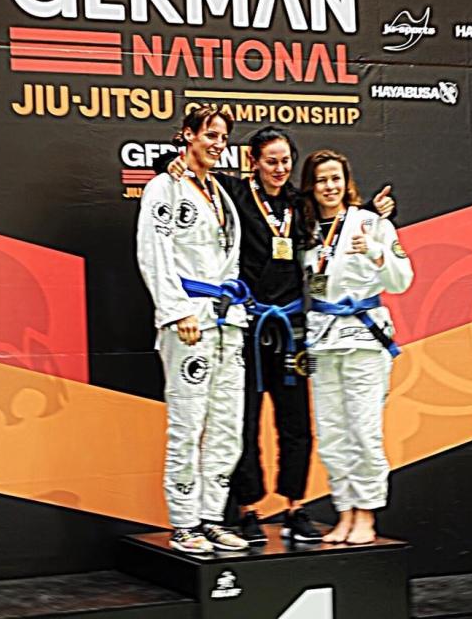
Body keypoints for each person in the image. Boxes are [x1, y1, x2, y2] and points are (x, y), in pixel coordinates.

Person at [155, 126, 395, 544]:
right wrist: (168, 164)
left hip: (293, 328)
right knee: (243, 422)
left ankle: (295, 506)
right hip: (248, 324)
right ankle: (248, 509)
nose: (280, 169)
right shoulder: (234, 192)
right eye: (271, 161)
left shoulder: (299, 204)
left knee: (296, 421)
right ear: (253, 161)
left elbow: (338, 216)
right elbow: (189, 172)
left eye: (286, 161)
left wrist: (374, 211)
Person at [136, 106, 249, 553]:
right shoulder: (165, 186)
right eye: (210, 135)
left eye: (223, 137)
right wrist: (175, 310)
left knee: (226, 426)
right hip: (189, 319)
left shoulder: (220, 191)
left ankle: (211, 517)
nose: (218, 144)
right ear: (187, 135)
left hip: (227, 319)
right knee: (188, 422)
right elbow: (154, 251)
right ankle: (184, 523)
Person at [300, 150, 413, 545]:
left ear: (346, 181)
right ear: (311, 187)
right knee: (331, 432)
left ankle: (366, 513)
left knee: (364, 430)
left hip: (364, 338)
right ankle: (344, 511)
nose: (329, 187)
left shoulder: (372, 223)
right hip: (322, 339)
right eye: (321, 180)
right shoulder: (307, 231)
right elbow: (311, 282)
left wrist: (374, 252)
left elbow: (401, 280)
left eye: (335, 178)